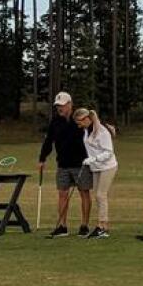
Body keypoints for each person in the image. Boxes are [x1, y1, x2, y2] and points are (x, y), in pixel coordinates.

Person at [37, 91, 92, 236]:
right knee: (62, 194)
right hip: (62, 164)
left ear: (70, 105)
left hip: (81, 163)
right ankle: (62, 226)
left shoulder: (80, 119)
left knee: (84, 193)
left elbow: (94, 131)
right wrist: (42, 159)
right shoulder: (55, 121)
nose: (59, 108)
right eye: (57, 106)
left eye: (62, 105)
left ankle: (84, 225)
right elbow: (48, 141)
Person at [77, 107, 118, 239]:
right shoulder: (86, 131)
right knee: (97, 196)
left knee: (101, 195)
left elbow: (108, 152)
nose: (78, 125)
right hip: (96, 167)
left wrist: (94, 159)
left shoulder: (101, 131)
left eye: (80, 122)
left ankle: (101, 226)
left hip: (108, 166)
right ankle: (104, 226)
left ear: (87, 119)